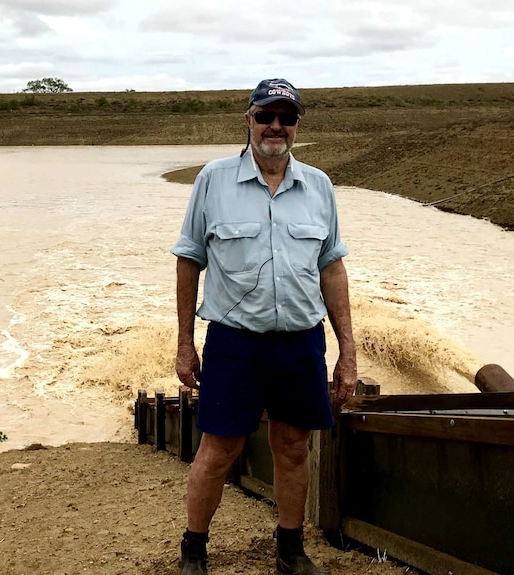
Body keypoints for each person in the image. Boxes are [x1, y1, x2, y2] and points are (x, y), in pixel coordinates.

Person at [171, 78, 357, 575]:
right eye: (266, 115)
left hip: (300, 343)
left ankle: (290, 550)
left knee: (294, 447)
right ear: (248, 120)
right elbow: (189, 259)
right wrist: (185, 343)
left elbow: (332, 267)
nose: (276, 125)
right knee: (218, 449)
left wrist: (348, 353)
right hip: (234, 344)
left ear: (297, 126)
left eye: (287, 117)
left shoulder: (319, 186)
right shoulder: (213, 180)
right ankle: (194, 550)